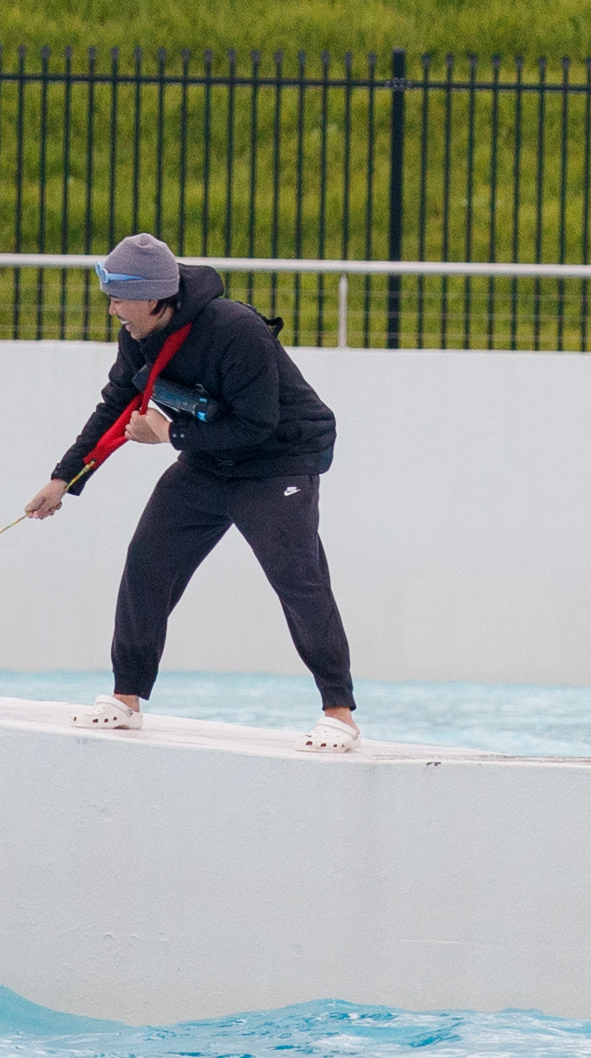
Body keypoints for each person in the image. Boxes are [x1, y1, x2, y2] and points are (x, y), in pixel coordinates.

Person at [25, 232, 360, 753]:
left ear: (156, 297)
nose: (112, 308)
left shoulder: (235, 330)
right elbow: (117, 401)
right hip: (208, 461)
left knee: (297, 576)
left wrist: (169, 434)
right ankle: (126, 698)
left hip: (277, 461)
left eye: (119, 296)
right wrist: (64, 478)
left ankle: (339, 713)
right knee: (147, 562)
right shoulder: (137, 333)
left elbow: (256, 424)